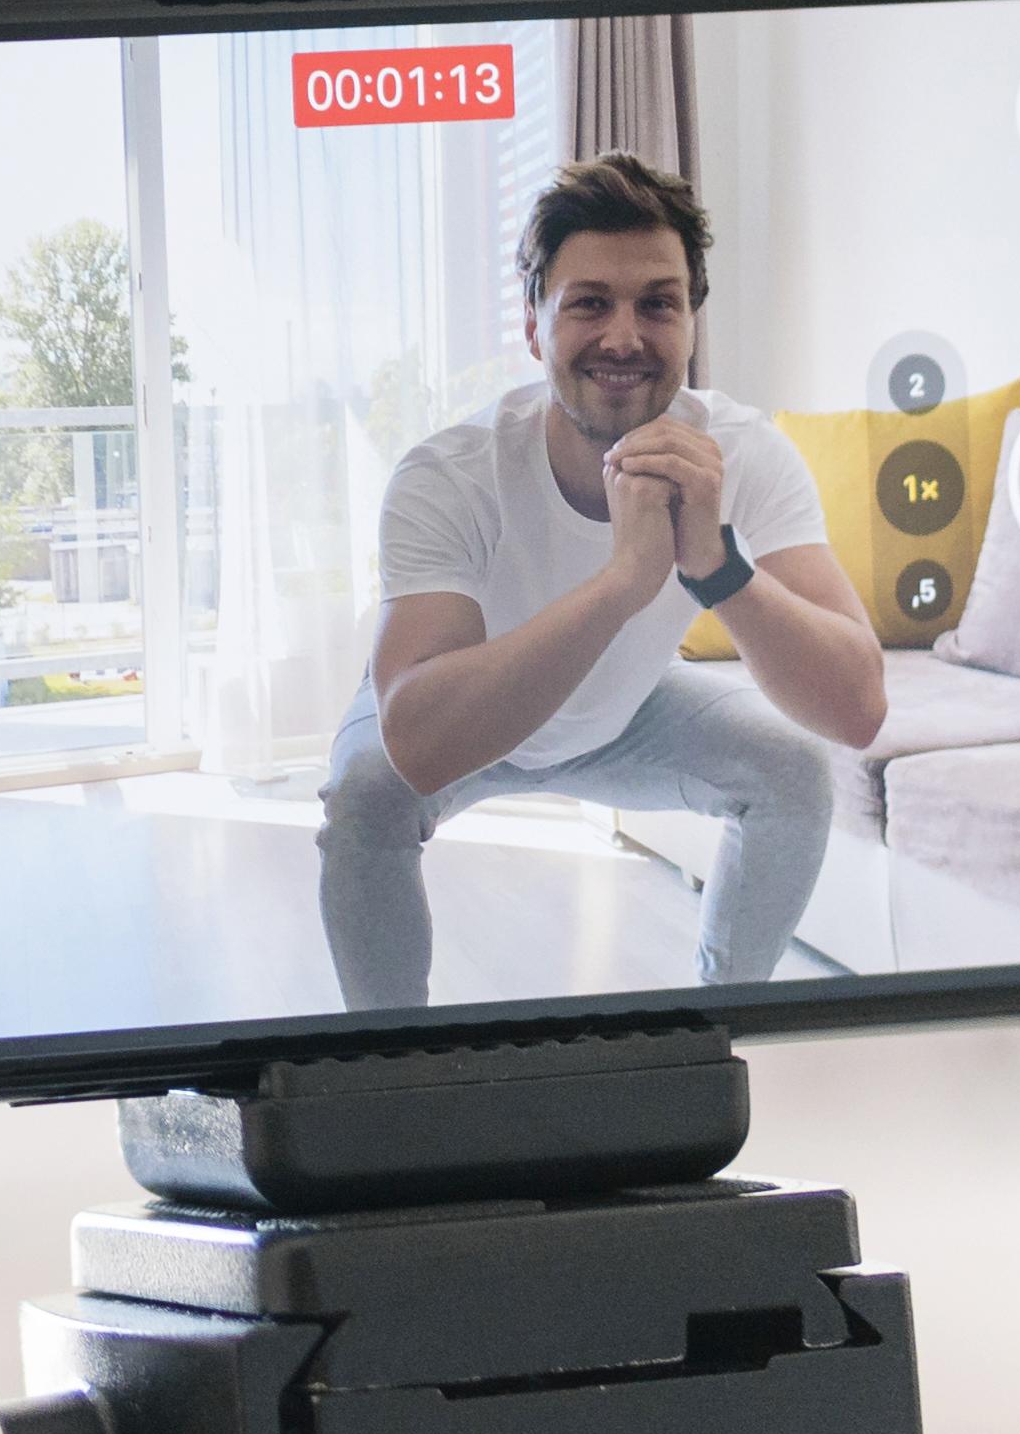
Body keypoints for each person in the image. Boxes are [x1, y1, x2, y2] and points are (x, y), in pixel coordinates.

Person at [317, 154, 888, 1008]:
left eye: (657, 303)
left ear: (692, 322)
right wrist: (624, 582)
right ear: (534, 327)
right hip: (473, 712)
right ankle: (389, 1067)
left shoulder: (745, 452)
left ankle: (716, 1032)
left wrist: (718, 567)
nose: (624, 337)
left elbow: (856, 709)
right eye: (589, 303)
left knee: (793, 771)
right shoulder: (450, 475)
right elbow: (420, 747)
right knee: (366, 794)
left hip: (626, 714)